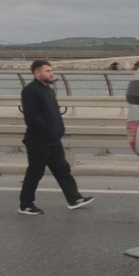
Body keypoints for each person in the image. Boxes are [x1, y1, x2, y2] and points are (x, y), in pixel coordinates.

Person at [18, 60, 94, 215]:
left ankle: (74, 198)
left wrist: (59, 130)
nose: (51, 73)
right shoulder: (30, 91)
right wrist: (48, 131)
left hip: (53, 139)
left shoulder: (48, 90)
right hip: (38, 140)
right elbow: (31, 117)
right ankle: (25, 204)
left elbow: (53, 114)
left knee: (62, 169)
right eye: (47, 71)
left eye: (51, 70)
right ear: (37, 73)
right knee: (35, 172)